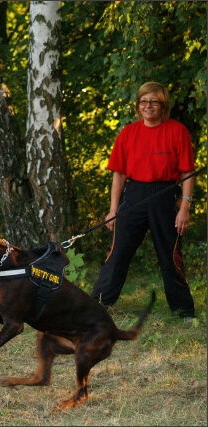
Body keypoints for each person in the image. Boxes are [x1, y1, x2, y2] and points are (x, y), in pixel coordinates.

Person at [92, 81, 196, 320]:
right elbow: (118, 174)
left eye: (154, 101)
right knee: (117, 253)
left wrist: (185, 209)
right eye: (143, 101)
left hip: (165, 196)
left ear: (163, 105)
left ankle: (184, 312)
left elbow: (188, 173)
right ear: (138, 105)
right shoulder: (128, 133)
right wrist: (113, 210)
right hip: (134, 195)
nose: (148, 106)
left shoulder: (177, 131)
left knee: (170, 256)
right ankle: (97, 306)